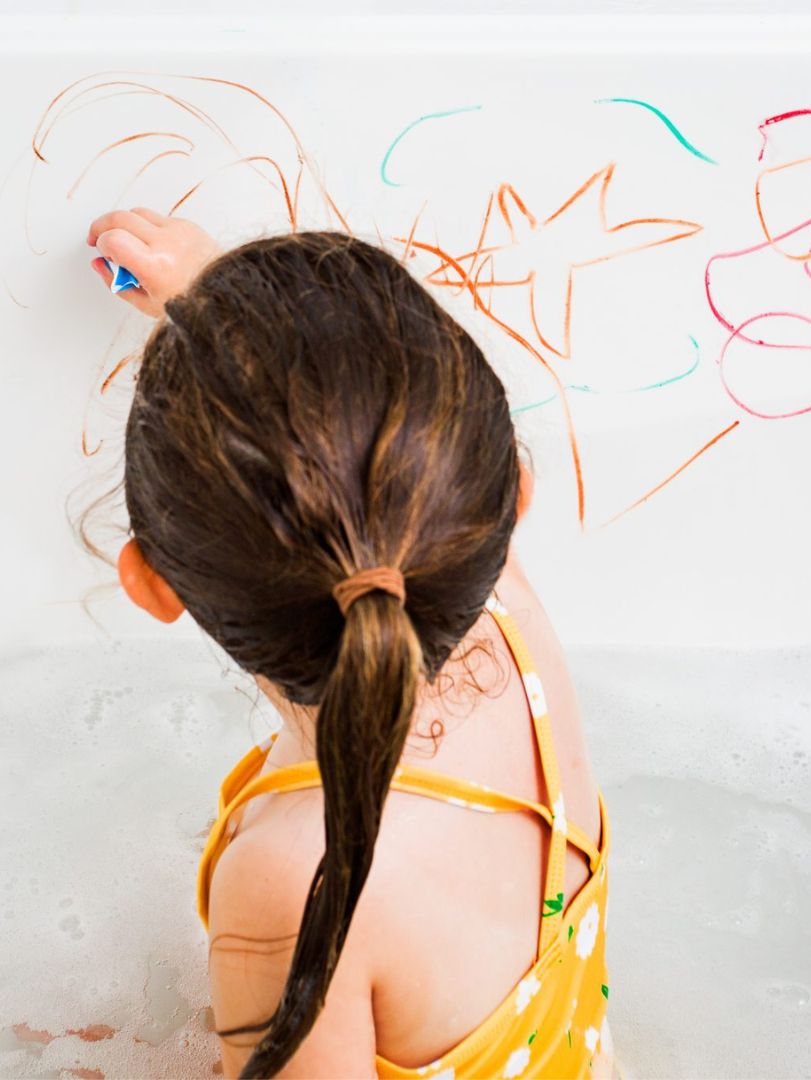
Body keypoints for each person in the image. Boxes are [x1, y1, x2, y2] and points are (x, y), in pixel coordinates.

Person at [86, 209, 614, 1079]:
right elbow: (391, 464)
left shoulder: (299, 881)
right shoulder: (517, 628)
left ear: (151, 588)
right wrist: (220, 307)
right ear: (512, 496)